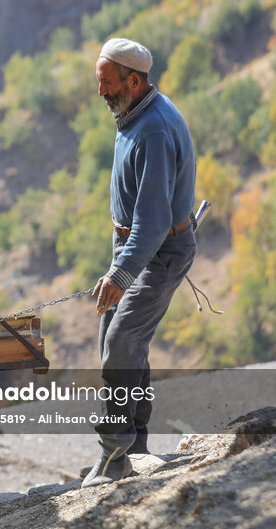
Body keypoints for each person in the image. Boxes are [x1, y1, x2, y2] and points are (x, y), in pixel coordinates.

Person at [82, 38, 197, 488]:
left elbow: (154, 221)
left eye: (107, 84)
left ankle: (113, 456)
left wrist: (120, 274)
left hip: (160, 250)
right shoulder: (134, 109)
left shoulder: (152, 128)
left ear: (133, 80)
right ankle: (137, 446)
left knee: (122, 340)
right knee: (120, 340)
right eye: (99, 83)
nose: (101, 93)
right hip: (134, 246)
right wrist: (119, 264)